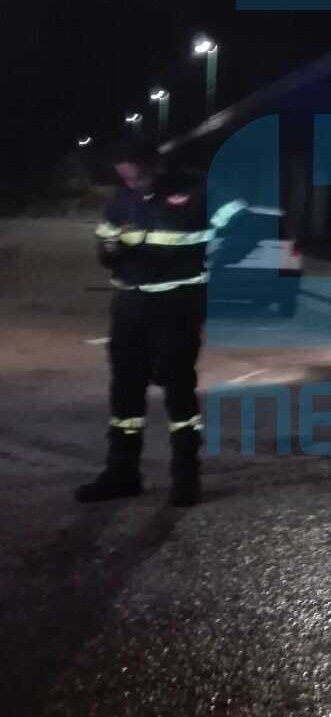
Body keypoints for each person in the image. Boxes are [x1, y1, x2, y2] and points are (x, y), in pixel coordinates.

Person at [77, 138, 252, 506]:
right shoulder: (121, 198)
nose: (132, 184)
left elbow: (245, 227)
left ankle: (186, 479)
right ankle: (122, 474)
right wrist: (111, 252)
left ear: (156, 166)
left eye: (138, 177)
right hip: (130, 304)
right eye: (125, 178)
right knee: (125, 391)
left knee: (178, 390)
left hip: (177, 306)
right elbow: (104, 241)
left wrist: (214, 263)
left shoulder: (197, 189)